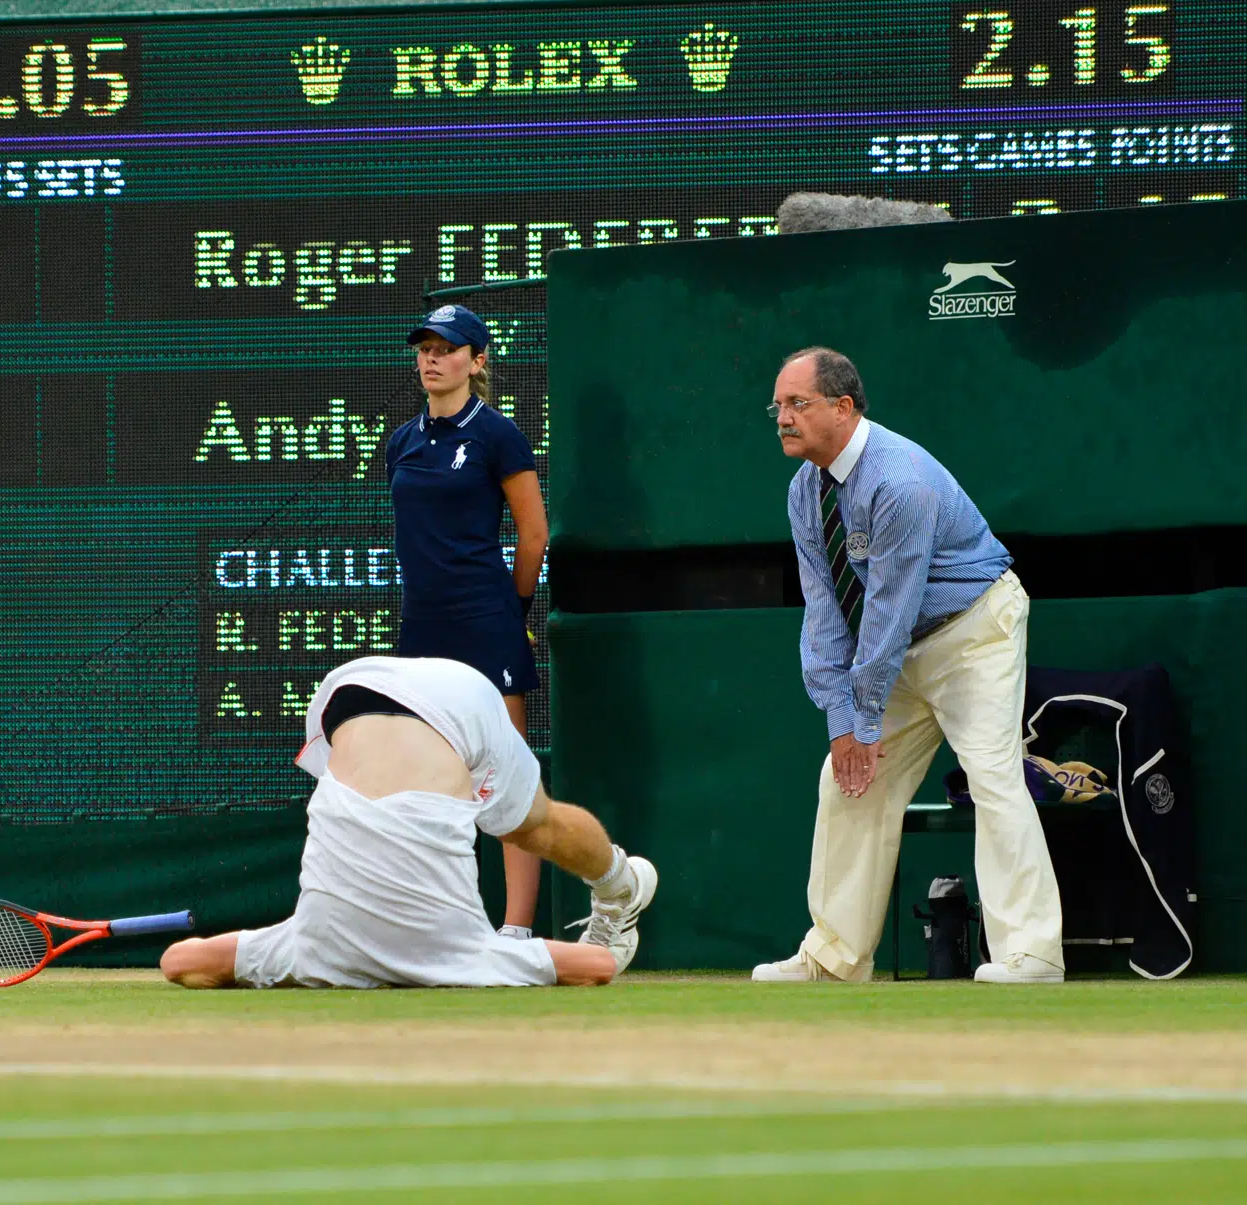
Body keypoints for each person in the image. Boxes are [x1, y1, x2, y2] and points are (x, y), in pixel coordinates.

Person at [752, 347, 1064, 985]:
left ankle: (1031, 954)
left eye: (797, 404)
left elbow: (887, 613)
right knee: (846, 779)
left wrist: (864, 718)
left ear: (843, 408)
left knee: (992, 776)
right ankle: (835, 957)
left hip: (974, 631)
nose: (782, 417)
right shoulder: (803, 491)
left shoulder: (900, 481)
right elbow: (824, 612)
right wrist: (844, 720)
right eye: (777, 406)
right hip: (895, 652)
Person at [161, 655, 657, 989]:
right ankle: (618, 883)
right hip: (354, 689)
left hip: (426, 695)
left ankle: (621, 886)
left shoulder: (465, 957)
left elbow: (597, 965)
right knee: (531, 827)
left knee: (529, 828)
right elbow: (180, 962)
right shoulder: (307, 951)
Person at [386, 303, 549, 941]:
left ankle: (514, 930)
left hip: (487, 621)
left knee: (505, 774)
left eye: (447, 348)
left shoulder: (497, 435)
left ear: (477, 362)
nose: (431, 358)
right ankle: (444, 922)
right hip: (422, 630)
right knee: (428, 778)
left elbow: (533, 533)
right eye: (424, 347)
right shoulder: (402, 439)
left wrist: (512, 610)